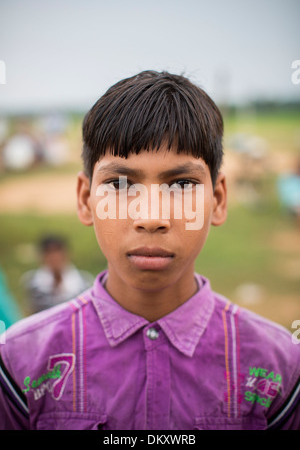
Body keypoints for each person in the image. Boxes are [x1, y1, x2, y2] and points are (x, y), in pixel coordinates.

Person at [0, 71, 299, 430]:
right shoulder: (20, 363)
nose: (151, 217)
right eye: (120, 184)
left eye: (182, 184)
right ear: (85, 199)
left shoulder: (278, 366)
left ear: (218, 200)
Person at [22, 235, 94, 313]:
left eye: (57, 251)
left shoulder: (85, 281)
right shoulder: (32, 282)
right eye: (49, 252)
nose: (54, 257)